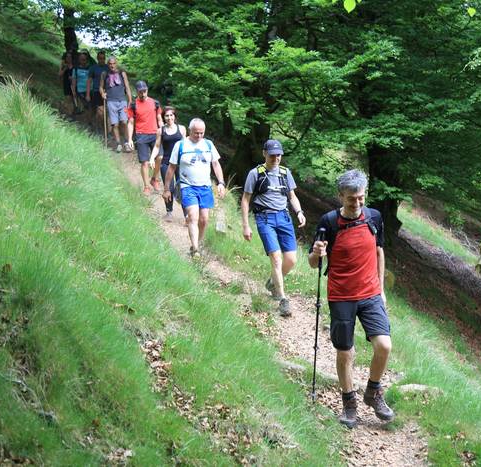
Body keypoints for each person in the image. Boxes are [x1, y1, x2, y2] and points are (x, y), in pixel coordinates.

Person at [307, 169, 394, 429]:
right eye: (351, 199)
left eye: (360, 198)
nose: (356, 204)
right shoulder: (329, 223)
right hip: (341, 295)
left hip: (370, 294)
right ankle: (349, 402)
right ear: (340, 196)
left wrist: (381, 288)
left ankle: (373, 392)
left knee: (384, 345)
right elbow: (313, 263)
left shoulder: (375, 217)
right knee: (345, 352)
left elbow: (379, 252)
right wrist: (317, 252)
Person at [241, 140, 306, 317]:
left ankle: (272, 282)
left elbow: (292, 196)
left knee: (291, 260)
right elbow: (246, 199)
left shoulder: (285, 173)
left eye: (278, 155)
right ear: (264, 154)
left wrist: (299, 212)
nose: (275, 158)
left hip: (284, 217)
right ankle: (282, 298)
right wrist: (246, 225)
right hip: (264, 218)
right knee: (276, 258)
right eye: (272, 155)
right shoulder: (255, 174)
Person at [162, 118, 225, 257]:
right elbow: (171, 167)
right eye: (196, 133)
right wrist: (167, 188)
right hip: (187, 185)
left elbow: (215, 164)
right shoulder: (181, 145)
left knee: (204, 219)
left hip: (205, 187)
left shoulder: (208, 144)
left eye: (202, 133)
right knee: (192, 216)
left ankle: (196, 243)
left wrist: (221, 182)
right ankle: (196, 249)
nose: (199, 136)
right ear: (190, 131)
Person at [126, 81, 163, 194]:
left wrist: (163, 131)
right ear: (137, 91)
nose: (143, 93)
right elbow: (131, 122)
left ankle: (155, 179)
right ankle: (146, 186)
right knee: (145, 162)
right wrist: (129, 139)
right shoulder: (133, 105)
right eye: (140, 91)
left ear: (147, 90)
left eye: (145, 91)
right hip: (141, 135)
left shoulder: (155, 103)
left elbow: (159, 119)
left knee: (160, 157)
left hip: (155, 134)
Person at [151, 106, 186, 220]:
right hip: (166, 162)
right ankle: (169, 212)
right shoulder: (161, 130)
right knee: (168, 188)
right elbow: (157, 146)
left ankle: (186, 216)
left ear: (175, 116)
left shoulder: (181, 129)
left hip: (180, 163)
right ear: (163, 117)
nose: (169, 117)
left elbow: (185, 146)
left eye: (171, 115)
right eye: (167, 115)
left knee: (183, 188)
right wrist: (152, 158)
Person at [100, 55, 132, 152]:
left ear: (116, 63)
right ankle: (118, 144)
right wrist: (102, 93)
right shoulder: (104, 74)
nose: (112, 66)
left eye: (114, 63)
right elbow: (101, 87)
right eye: (110, 64)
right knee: (115, 124)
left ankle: (126, 142)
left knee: (124, 122)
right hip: (110, 101)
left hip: (122, 100)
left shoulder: (122, 73)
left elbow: (127, 86)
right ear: (108, 64)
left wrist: (130, 99)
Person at [86, 50, 109, 132]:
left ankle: (103, 128)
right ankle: (95, 126)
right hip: (96, 91)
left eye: (103, 58)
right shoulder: (93, 68)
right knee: (98, 111)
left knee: (104, 112)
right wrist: (88, 94)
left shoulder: (108, 67)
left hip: (107, 93)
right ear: (97, 58)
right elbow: (89, 81)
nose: (102, 60)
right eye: (100, 58)